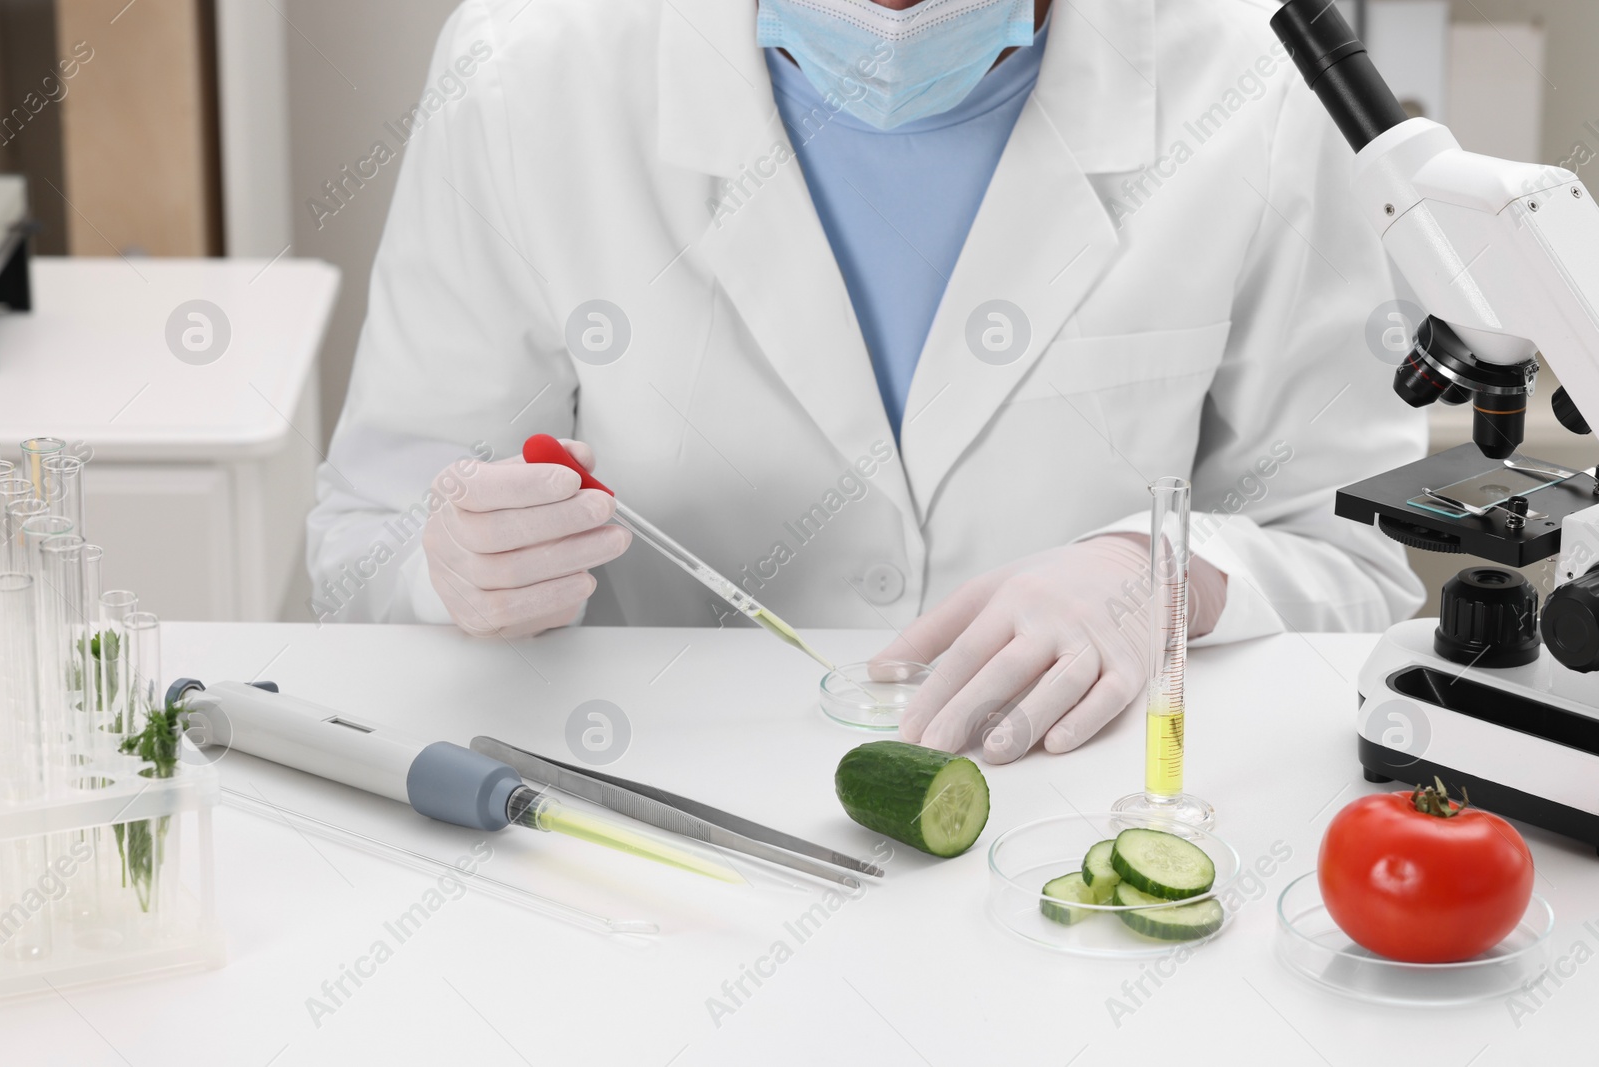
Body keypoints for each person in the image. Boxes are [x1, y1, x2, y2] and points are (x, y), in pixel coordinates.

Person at [306, 0, 1426, 762]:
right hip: (660, 812)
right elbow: (366, 533)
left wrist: (1161, 574)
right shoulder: (527, 65)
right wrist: (452, 562)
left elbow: (1353, 557)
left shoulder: (1251, 77)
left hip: (1068, 830)